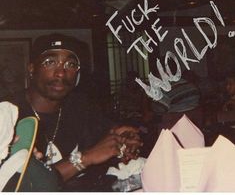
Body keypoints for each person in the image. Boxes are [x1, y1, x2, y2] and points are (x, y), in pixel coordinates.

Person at [5, 33, 142, 191]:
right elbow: (21, 186)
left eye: (70, 64)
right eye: (50, 62)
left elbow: (108, 141)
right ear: (31, 69)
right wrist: (84, 158)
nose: (61, 73)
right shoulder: (7, 114)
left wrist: (122, 141)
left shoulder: (81, 106)